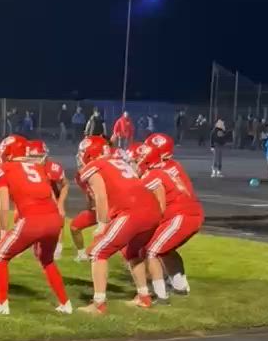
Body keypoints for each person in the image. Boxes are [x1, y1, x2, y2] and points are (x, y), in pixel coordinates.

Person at [0, 135, 71, 317]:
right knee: (47, 260)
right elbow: (50, 195)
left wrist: (3, 231)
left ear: (8, 152)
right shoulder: (39, 167)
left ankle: (1, 304)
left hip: (32, 220)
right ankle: (66, 303)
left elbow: (3, 204)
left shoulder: (2, 169)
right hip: (54, 220)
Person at [77, 134, 160, 314]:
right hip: (152, 211)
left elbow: (100, 196)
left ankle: (98, 304)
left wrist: (101, 223)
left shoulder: (94, 166)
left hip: (132, 212)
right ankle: (144, 297)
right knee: (132, 252)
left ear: (89, 153)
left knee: (98, 251)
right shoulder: (120, 162)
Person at [138, 134, 204, 301]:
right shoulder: (169, 167)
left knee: (151, 251)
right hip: (187, 212)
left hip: (179, 214)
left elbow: (159, 200)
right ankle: (179, 286)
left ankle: (161, 295)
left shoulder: (156, 173)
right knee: (164, 250)